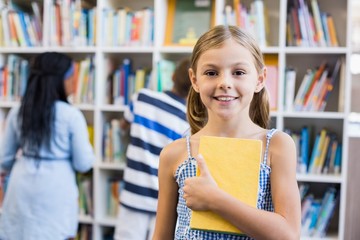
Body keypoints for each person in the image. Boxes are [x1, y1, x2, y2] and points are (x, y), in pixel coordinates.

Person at [152, 25, 301, 240]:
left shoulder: (277, 146)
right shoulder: (173, 154)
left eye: (239, 72)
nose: (225, 83)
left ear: (259, 79)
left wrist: (214, 199)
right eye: (211, 73)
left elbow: (289, 235)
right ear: (194, 80)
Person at [0, 52, 95, 240]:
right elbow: (84, 163)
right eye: (70, 77)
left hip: (20, 188)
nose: (73, 82)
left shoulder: (18, 111)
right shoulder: (71, 116)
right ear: (59, 80)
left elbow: (3, 160)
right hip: (55, 190)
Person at [114, 58, 192, 240]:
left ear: (172, 77)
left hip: (133, 196)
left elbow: (123, 126)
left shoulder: (142, 98)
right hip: (163, 203)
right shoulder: (186, 122)